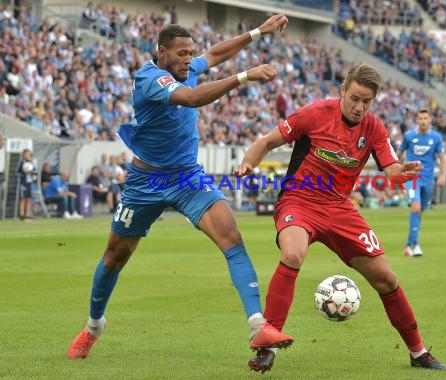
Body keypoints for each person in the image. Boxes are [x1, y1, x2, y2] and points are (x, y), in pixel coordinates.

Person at [67, 17, 294, 360]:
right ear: (162, 53)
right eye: (182, 54)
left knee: (231, 236)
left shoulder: (186, 67)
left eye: (190, 53)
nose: (190, 59)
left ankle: (258, 325)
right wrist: (244, 76)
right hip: (146, 182)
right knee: (116, 255)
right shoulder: (150, 78)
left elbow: (215, 53)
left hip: (187, 178)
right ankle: (93, 327)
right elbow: (189, 99)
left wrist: (259, 32)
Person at [235, 64, 446, 373]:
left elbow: (392, 169)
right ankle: (266, 347)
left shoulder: (374, 128)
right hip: (299, 201)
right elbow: (266, 141)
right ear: (343, 91)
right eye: (355, 99)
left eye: (367, 102)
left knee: (386, 279)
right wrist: (249, 163)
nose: (360, 107)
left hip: (339, 209)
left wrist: (403, 173)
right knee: (293, 253)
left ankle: (418, 353)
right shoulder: (314, 113)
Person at [397, 108, 446, 257]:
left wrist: (443, 175)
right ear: (416, 120)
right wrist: (396, 173)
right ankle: (416, 245)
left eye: (426, 118)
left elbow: (442, 158)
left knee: (420, 212)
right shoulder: (409, 136)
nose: (423, 121)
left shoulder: (436, 137)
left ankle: (409, 245)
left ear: (430, 120)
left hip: (428, 179)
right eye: (420, 118)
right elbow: (396, 156)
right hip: (412, 178)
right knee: (416, 208)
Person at [17, 148, 36, 221]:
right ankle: (22, 215)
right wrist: (23, 173)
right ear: (24, 154)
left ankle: (28, 214)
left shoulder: (31, 163)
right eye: (28, 154)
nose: (29, 155)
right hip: (23, 183)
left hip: (29, 183)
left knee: (29, 199)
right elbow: (18, 172)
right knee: (23, 199)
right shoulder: (22, 163)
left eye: (30, 154)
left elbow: (34, 170)